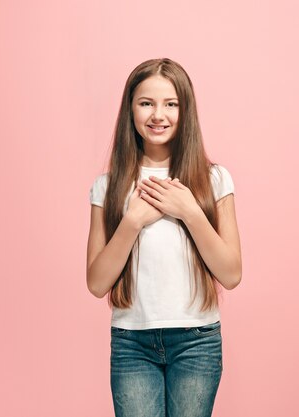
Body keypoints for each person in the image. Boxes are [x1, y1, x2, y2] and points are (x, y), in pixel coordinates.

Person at [86, 57, 242, 417]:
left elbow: (231, 274)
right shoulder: (107, 187)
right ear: (131, 110)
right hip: (132, 343)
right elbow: (96, 283)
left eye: (171, 104)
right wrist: (132, 222)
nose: (159, 114)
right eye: (146, 103)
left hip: (197, 342)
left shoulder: (214, 179)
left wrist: (189, 210)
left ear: (185, 110)